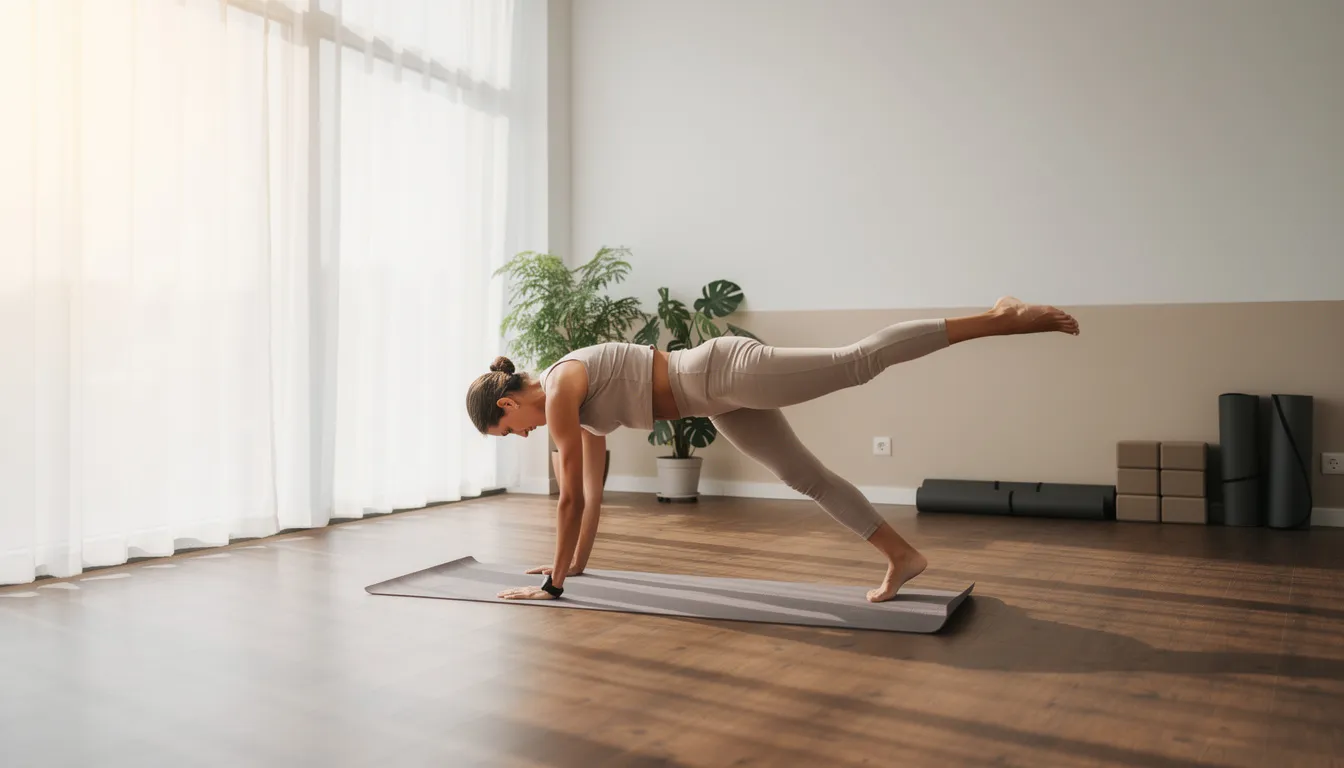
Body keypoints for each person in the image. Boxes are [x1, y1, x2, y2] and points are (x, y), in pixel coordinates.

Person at [466, 296, 1079, 602]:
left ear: (508, 405)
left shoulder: (566, 385)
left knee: (855, 362)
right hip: (716, 400)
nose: (523, 437)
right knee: (805, 476)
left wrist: (551, 590)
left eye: (509, 431)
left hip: (721, 373)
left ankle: (996, 319)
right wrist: (567, 569)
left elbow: (567, 497)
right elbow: (592, 498)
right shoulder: (573, 405)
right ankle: (902, 556)